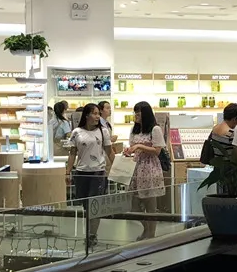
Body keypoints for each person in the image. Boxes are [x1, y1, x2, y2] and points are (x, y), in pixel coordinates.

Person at [68, 102, 113, 246]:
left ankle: (92, 235)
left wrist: (117, 168)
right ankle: (88, 232)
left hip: (98, 173)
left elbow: (109, 151)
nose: (97, 116)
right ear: (87, 115)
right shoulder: (77, 132)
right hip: (81, 173)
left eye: (98, 114)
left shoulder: (103, 131)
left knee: (95, 205)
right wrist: (67, 172)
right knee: (85, 206)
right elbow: (72, 153)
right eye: (94, 113)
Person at [124, 101, 166, 241]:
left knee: (150, 204)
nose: (136, 115)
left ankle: (150, 234)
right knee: (134, 205)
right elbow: (132, 147)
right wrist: (129, 150)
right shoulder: (134, 129)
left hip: (150, 168)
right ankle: (147, 229)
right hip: (136, 168)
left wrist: (139, 146)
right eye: (135, 112)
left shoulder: (155, 129)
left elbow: (157, 150)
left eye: (139, 112)